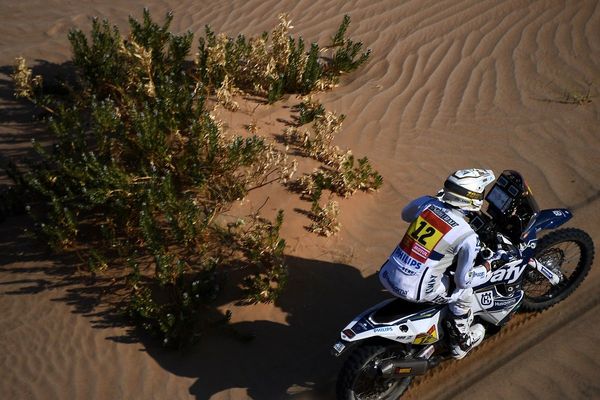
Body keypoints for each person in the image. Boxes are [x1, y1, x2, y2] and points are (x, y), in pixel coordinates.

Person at [379, 168, 496, 359]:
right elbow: (463, 280)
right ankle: (461, 342)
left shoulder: (427, 204)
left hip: (387, 274)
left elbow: (406, 214)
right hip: (416, 290)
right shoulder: (467, 235)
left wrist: (433, 200)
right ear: (472, 197)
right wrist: (487, 268)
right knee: (464, 293)